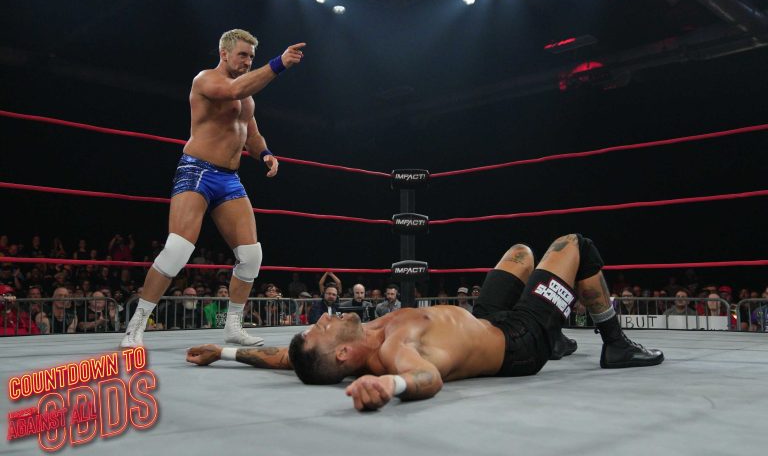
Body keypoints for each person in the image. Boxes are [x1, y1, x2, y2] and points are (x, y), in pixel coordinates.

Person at [186, 234, 663, 410]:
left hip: (483, 319)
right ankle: (615, 343)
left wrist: (223, 351)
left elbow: (282, 359)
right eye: (321, 329)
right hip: (518, 342)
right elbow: (426, 378)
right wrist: (389, 386)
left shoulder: (345, 346)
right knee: (573, 245)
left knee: (520, 254)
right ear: (344, 354)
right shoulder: (392, 352)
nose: (325, 318)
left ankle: (556, 333)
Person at [120, 29, 305, 348]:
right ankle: (135, 326)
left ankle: (233, 326)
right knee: (177, 249)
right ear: (224, 53)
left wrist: (265, 153)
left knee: (251, 255)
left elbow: (251, 135)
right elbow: (234, 89)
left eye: (252, 57)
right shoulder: (206, 80)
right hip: (197, 171)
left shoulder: (247, 95)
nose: (248, 61)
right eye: (243, 55)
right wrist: (279, 63)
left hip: (229, 179)